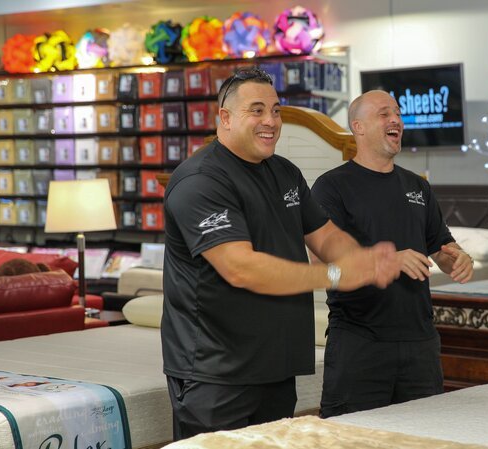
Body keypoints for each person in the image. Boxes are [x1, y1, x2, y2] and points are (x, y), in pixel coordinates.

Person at [161, 69, 399, 440]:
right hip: (216, 373)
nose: (270, 121)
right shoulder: (200, 181)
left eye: (276, 110)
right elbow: (241, 268)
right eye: (256, 111)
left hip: (275, 366)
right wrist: (336, 276)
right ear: (225, 117)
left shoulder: (285, 173)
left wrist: (362, 260)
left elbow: (326, 235)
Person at [311, 90, 475, 418]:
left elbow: (441, 247)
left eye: (398, 114)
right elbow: (321, 263)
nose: (396, 120)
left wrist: (458, 257)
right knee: (352, 440)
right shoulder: (331, 187)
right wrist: (388, 259)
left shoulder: (418, 187)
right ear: (358, 127)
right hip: (360, 342)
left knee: (426, 437)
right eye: (384, 114)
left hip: (420, 343)